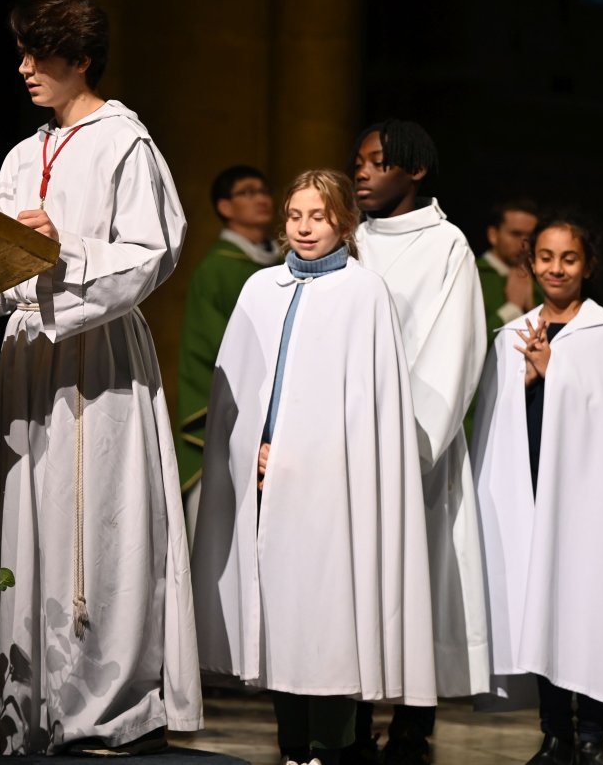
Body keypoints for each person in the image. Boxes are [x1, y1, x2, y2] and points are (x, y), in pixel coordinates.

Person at [0, 0, 202, 755]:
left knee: (98, 525)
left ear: (80, 59)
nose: (22, 68)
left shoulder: (124, 142)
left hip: (98, 357)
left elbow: (154, 249)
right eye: (20, 53)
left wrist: (60, 254)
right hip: (28, 354)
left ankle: (100, 703)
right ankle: (25, 700)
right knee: (27, 521)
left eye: (38, 54)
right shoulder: (24, 154)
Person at [192, 169, 436, 765]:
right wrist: (254, 448)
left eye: (319, 217)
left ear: (344, 224)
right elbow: (238, 393)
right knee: (281, 613)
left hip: (333, 487)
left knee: (329, 611)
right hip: (268, 482)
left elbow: (368, 405)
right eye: (296, 216)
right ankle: (293, 743)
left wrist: (314, 458)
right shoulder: (260, 290)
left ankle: (336, 743)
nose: (305, 228)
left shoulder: (364, 293)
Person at [472, 219, 603, 765]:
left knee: (589, 608)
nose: (557, 268)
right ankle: (554, 732)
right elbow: (496, 415)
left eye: (569, 259)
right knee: (544, 609)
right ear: (531, 263)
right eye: (547, 257)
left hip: (588, 499)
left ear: (588, 265)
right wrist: (525, 379)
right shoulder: (511, 333)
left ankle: (592, 735)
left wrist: (556, 372)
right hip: (530, 493)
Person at [349, 119, 489, 765]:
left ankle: (412, 724)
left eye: (377, 162)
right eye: (359, 162)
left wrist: (410, 445)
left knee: (415, 584)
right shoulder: (346, 239)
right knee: (348, 586)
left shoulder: (447, 246)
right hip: (343, 445)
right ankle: (349, 717)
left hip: (412, 450)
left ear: (416, 170)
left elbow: (455, 347)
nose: (362, 172)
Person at [176, 165, 279, 546]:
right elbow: (213, 346)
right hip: (236, 415)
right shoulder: (216, 269)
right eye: (248, 191)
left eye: (264, 190)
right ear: (224, 206)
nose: (261, 198)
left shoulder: (281, 264)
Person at [477, 198, 541, 343]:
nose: (524, 244)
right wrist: (513, 308)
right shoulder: (472, 275)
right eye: (516, 234)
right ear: (493, 235)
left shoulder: (541, 279)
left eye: (529, 236)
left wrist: (532, 309)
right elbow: (469, 342)